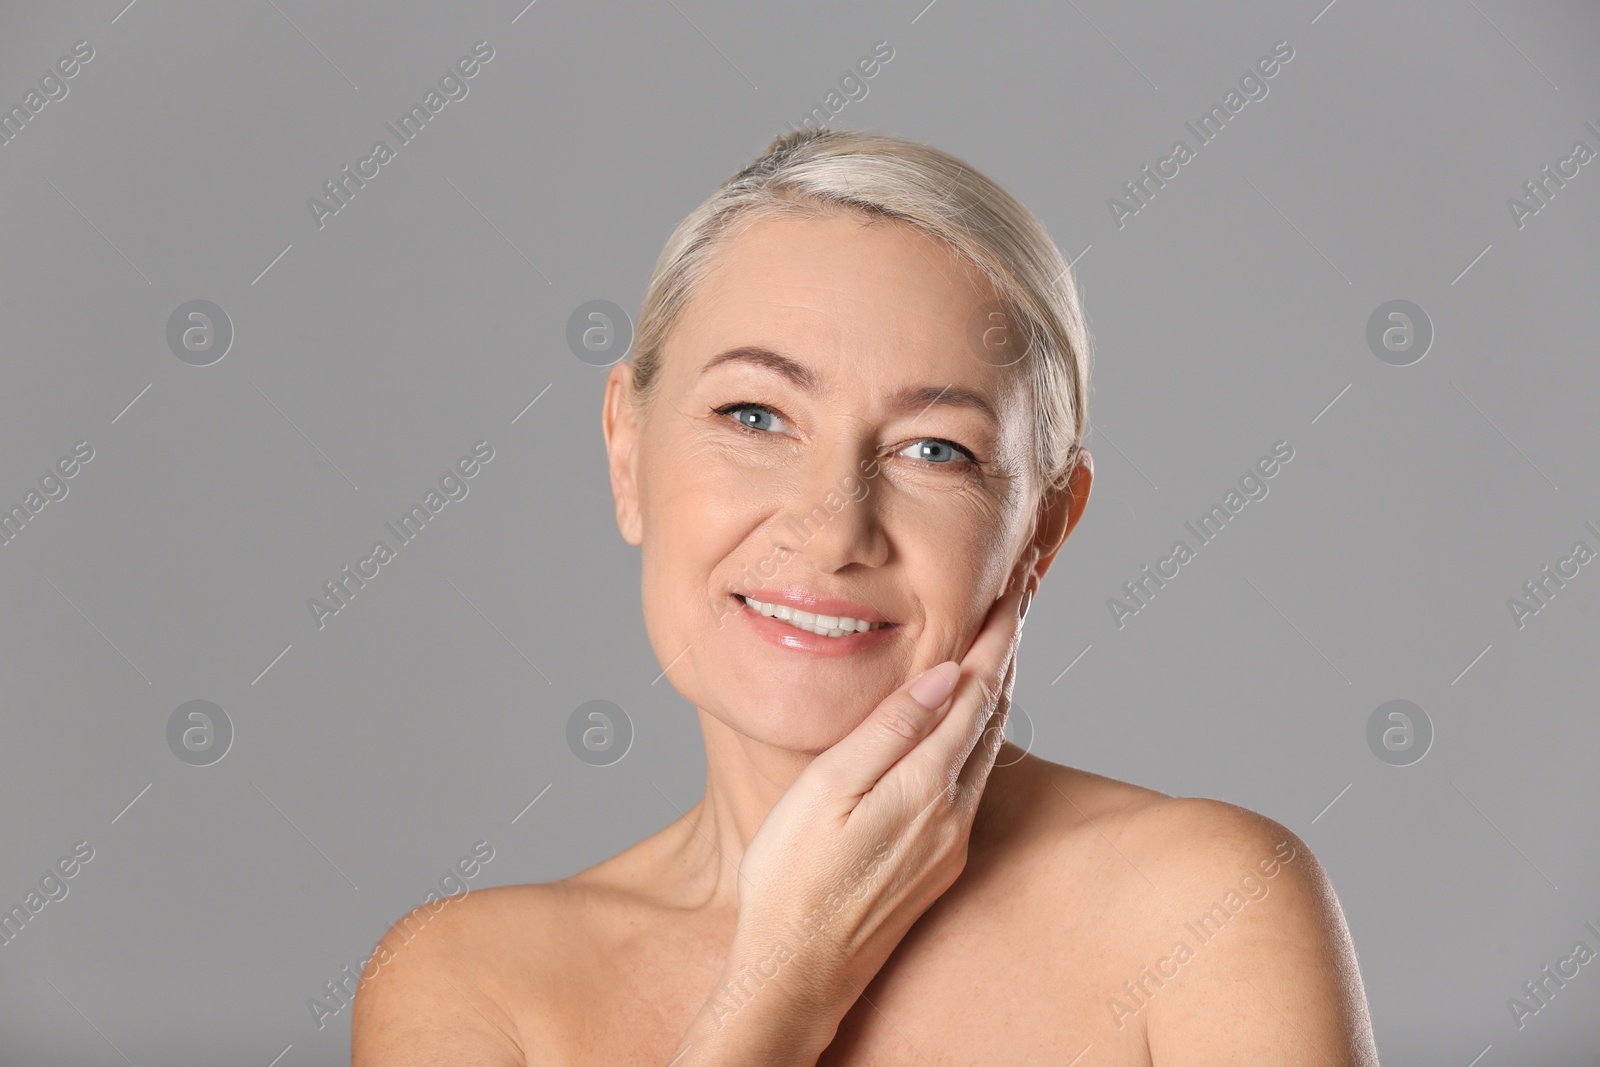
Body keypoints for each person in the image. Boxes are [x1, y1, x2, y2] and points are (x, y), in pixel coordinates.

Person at [352, 126, 1379, 1065]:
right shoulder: (470, 980)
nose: (834, 531)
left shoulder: (1205, 909)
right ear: (626, 449)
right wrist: (784, 986)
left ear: (1044, 529)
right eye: (754, 415)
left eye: (936, 449)